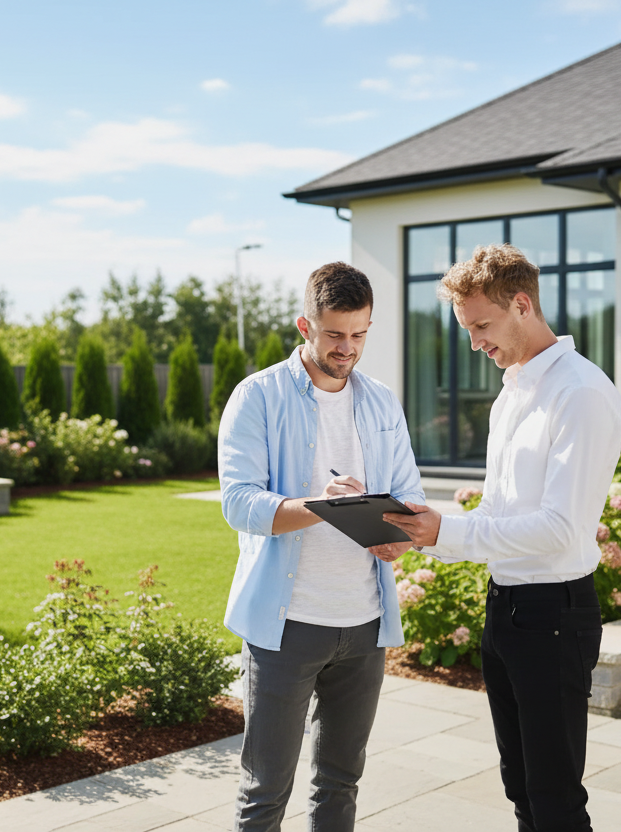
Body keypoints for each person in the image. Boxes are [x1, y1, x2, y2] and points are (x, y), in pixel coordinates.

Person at [383, 244, 621, 832]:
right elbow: (497, 508)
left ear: (522, 304)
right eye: (467, 329)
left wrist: (446, 531)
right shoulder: (513, 390)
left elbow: (561, 527)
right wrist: (421, 531)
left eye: (481, 326)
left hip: (555, 615)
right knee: (520, 787)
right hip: (506, 608)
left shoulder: (580, 392)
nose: (474, 343)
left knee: (555, 797)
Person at [218, 261, 424, 832]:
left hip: (365, 625)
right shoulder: (256, 397)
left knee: (340, 785)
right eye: (335, 334)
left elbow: (409, 496)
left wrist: (394, 533)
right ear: (305, 327)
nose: (348, 347)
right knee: (265, 793)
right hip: (286, 626)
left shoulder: (382, 402)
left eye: (360, 334)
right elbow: (239, 503)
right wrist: (323, 508)